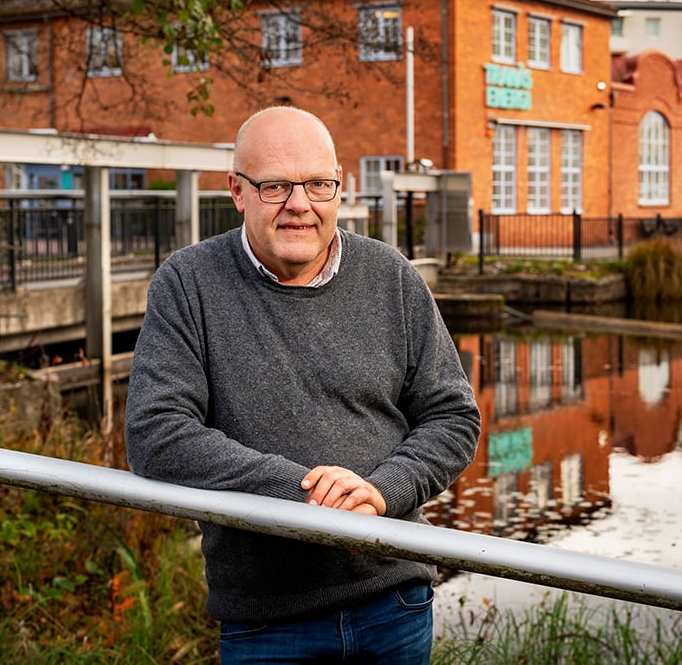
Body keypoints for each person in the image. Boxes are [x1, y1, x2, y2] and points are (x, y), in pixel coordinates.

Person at [124, 106, 481, 663]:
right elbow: (157, 434)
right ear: (236, 192)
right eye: (275, 186)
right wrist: (310, 495)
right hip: (269, 622)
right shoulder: (188, 284)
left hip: (394, 601)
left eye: (318, 184)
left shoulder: (392, 277)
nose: (300, 204)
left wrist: (382, 490)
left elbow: (453, 416)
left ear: (339, 187)